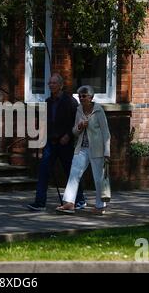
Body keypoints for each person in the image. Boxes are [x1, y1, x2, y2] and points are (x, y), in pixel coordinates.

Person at [27, 73, 86, 211]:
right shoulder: (48, 102)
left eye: (54, 83)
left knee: (71, 172)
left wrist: (68, 135)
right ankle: (40, 202)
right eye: (50, 83)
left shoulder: (70, 101)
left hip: (65, 143)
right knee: (43, 170)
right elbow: (46, 121)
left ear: (61, 85)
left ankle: (80, 199)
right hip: (51, 142)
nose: (51, 85)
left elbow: (75, 121)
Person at [56, 85, 111, 215]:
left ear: (91, 97)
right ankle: (69, 203)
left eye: (84, 96)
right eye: (80, 96)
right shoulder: (79, 110)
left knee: (98, 178)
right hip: (81, 148)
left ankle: (100, 206)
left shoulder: (98, 110)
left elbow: (106, 132)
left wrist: (107, 151)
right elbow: (74, 131)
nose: (81, 98)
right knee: (74, 174)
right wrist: (80, 126)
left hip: (97, 149)